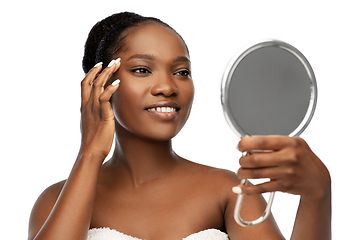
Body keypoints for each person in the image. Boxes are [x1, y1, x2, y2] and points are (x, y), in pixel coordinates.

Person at [27, 12, 331, 240]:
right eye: (142, 69)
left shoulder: (229, 191)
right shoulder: (55, 201)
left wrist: (318, 196)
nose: (167, 87)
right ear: (99, 84)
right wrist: (90, 151)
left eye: (182, 72)